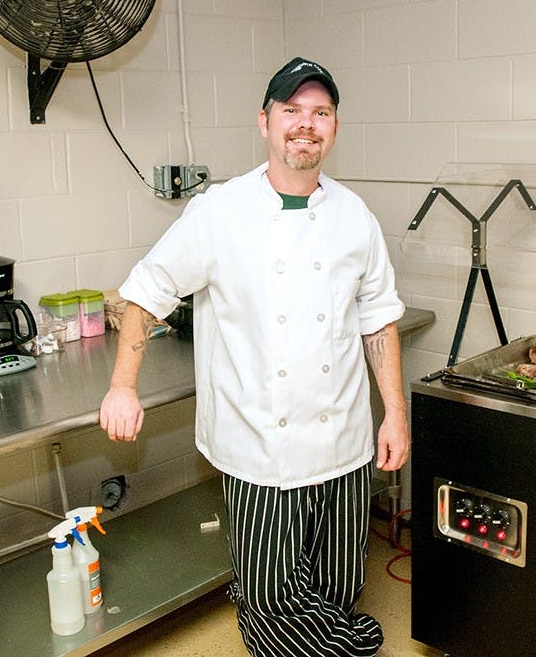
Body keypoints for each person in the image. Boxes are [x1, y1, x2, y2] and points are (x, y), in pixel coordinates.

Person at [99, 56, 408, 657]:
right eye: (291, 111)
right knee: (269, 605)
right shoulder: (219, 212)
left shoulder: (354, 216)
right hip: (259, 448)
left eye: (320, 113)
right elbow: (145, 292)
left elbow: (378, 316)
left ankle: (339, 635)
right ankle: (347, 647)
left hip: (345, 443)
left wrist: (392, 412)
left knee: (342, 588)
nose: (305, 124)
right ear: (264, 122)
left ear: (335, 128)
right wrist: (121, 386)